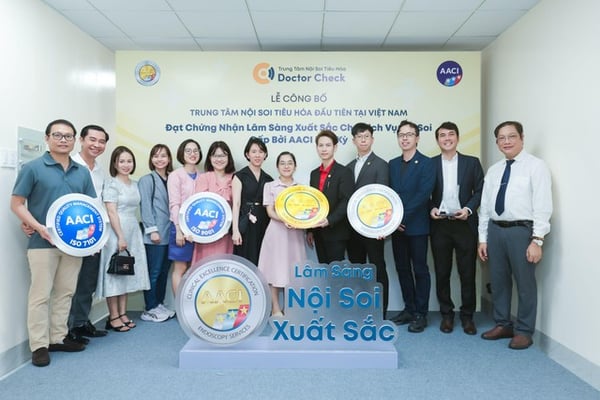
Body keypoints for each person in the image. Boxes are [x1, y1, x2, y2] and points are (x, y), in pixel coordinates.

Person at [11, 119, 95, 367]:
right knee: (40, 295)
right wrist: (36, 226)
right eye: (57, 135)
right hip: (42, 243)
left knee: (65, 292)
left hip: (73, 244)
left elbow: (90, 207)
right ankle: (39, 345)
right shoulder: (33, 168)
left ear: (75, 140)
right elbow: (16, 203)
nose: (63, 140)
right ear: (47, 138)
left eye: (68, 136)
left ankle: (58, 337)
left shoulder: (82, 172)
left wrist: (92, 241)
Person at [478, 121, 552, 350]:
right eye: (501, 138)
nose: (507, 141)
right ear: (497, 142)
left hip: (522, 231)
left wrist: (537, 240)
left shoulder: (536, 167)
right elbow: (485, 206)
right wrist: (483, 238)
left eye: (511, 136)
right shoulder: (494, 170)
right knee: (498, 281)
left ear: (522, 138)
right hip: (495, 230)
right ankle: (503, 324)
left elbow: (543, 205)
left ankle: (524, 331)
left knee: (525, 283)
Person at [429, 122, 483, 335]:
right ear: (437, 140)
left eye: (451, 134)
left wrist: (468, 209)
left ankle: (467, 316)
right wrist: (431, 208)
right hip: (440, 225)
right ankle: (447, 315)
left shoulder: (472, 162)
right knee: (442, 272)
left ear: (458, 138)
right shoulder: (430, 164)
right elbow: (423, 192)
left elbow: (480, 191)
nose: (447, 138)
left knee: (467, 272)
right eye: (442, 135)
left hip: (465, 225)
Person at [97, 146, 150, 332]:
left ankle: (122, 313)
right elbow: (111, 212)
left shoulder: (135, 184)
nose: (126, 165)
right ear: (114, 164)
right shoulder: (111, 184)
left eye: (129, 161)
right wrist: (120, 237)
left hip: (133, 230)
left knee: (126, 271)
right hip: (116, 231)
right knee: (114, 273)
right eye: (122, 161)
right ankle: (113, 316)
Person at [389, 120, 435, 333]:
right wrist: (392, 221)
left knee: (420, 270)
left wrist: (401, 218)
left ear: (417, 138)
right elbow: (388, 195)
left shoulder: (427, 163)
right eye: (401, 135)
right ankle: (409, 308)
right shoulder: (392, 164)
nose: (405, 138)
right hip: (396, 228)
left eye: (409, 134)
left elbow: (423, 195)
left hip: (416, 226)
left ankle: (420, 314)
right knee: (402, 269)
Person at [67, 125, 109, 344]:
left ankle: (81, 322)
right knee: (69, 283)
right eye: (92, 139)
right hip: (71, 234)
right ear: (81, 140)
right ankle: (67, 328)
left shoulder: (100, 170)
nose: (97, 145)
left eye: (101, 142)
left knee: (87, 281)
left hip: (94, 234)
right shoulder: (69, 166)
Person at [345, 122, 390, 315]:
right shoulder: (348, 167)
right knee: (357, 270)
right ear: (354, 141)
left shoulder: (381, 164)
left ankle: (380, 311)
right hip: (352, 228)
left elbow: (383, 198)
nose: (363, 140)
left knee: (377, 268)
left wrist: (381, 227)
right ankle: (361, 310)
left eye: (366, 136)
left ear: (372, 139)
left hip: (373, 229)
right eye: (359, 137)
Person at [258, 152, 307, 317]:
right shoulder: (270, 186)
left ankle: (290, 308)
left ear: (295, 166)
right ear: (277, 167)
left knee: (293, 272)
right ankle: (275, 308)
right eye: (283, 163)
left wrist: (300, 221)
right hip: (276, 233)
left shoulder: (301, 188)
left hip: (295, 234)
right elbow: (270, 211)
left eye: (290, 163)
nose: (286, 166)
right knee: (274, 270)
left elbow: (305, 212)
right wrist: (285, 219)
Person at [139, 144, 175, 323]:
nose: (159, 159)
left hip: (169, 233)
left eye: (163, 156)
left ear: (169, 159)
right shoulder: (147, 180)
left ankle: (159, 303)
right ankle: (150, 307)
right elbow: (145, 207)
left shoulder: (172, 178)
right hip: (155, 234)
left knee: (163, 271)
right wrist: (152, 230)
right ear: (151, 159)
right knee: (153, 272)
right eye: (156, 156)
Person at [306, 130, 354, 263]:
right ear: (317, 148)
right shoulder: (314, 174)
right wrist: (310, 230)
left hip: (336, 231)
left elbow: (346, 201)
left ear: (335, 147)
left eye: (328, 145)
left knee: (336, 272)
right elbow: (312, 202)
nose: (324, 149)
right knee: (324, 270)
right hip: (318, 232)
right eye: (320, 145)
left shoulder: (344, 172)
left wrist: (329, 220)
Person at [191, 141, 235, 265]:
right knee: (205, 266)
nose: (219, 159)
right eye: (215, 156)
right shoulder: (204, 178)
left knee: (223, 266)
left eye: (223, 155)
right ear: (210, 158)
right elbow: (196, 206)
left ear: (228, 158)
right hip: (206, 232)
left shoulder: (235, 178)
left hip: (226, 233)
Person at [167, 139, 202, 295]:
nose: (192, 154)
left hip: (198, 229)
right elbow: (174, 204)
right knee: (180, 268)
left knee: (194, 267)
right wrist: (179, 230)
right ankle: (180, 305)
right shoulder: (176, 175)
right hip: (180, 227)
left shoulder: (202, 176)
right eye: (188, 151)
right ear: (182, 153)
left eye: (195, 150)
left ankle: (191, 302)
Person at [231, 137, 273, 265]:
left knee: (262, 260)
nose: (257, 155)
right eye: (254, 152)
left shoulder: (268, 178)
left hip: (263, 222)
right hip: (245, 223)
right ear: (247, 154)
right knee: (244, 261)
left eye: (261, 152)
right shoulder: (239, 176)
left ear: (265, 155)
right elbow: (236, 204)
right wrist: (235, 230)